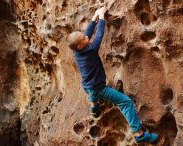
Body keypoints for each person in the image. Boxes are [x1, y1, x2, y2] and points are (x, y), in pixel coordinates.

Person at [67, 6, 159, 144]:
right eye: (85, 40)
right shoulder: (91, 49)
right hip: (99, 88)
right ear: (81, 46)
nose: (88, 38)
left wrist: (95, 17)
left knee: (91, 92)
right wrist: (102, 17)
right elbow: (98, 35)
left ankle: (94, 107)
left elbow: (86, 34)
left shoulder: (77, 51)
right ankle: (139, 134)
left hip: (87, 86)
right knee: (125, 102)